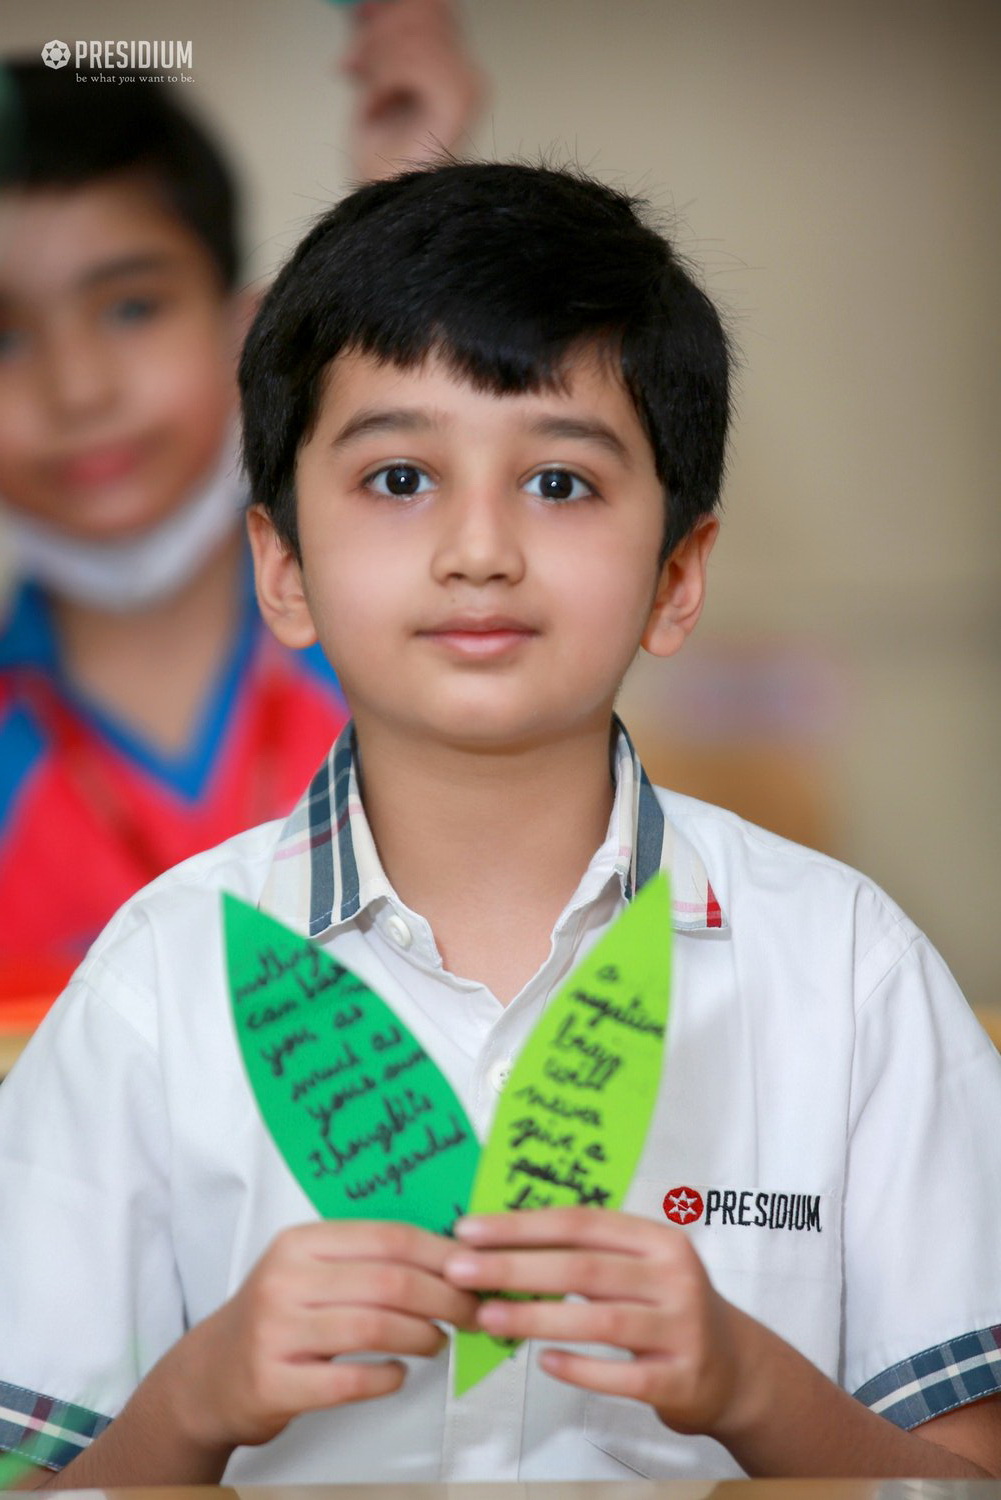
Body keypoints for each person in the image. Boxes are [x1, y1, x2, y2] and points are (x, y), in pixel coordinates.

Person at [1, 161, 999, 1487]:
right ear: (283, 570)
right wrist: (191, 1400)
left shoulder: (849, 968)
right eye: (401, 476)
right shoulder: (156, 980)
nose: (480, 548)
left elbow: (967, 1467)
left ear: (678, 575)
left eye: (562, 484)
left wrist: (746, 1381)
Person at [0, 0, 484, 988]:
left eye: (133, 306)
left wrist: (408, 200)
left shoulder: (424, 653)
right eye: (2, 337)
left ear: (248, 328)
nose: (78, 389)